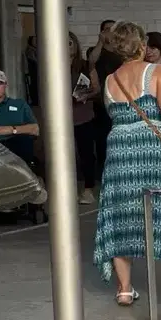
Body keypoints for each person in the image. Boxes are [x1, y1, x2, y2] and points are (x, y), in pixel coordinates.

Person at [93, 21, 161, 306]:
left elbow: (114, 115)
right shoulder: (157, 72)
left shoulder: (109, 80)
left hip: (118, 150)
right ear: (142, 45)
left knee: (120, 213)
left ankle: (125, 288)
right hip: (152, 149)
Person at [0, 70, 41, 169]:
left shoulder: (19, 104)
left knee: (24, 140)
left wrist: (11, 129)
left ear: (5, 85)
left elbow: (35, 130)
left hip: (16, 150)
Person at [88, 20, 121, 179]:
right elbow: (91, 61)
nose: (110, 33)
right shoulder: (96, 51)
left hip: (120, 100)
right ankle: (104, 171)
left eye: (113, 30)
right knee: (102, 138)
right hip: (101, 101)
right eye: (107, 29)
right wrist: (101, 41)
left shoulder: (121, 52)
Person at [70, 32, 97, 204]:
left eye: (70, 43)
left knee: (86, 153)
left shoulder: (85, 66)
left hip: (83, 115)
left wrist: (85, 95)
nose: (67, 47)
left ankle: (88, 189)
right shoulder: (52, 65)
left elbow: (97, 88)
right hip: (61, 118)